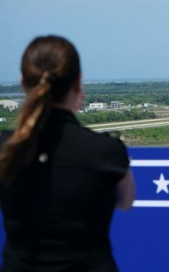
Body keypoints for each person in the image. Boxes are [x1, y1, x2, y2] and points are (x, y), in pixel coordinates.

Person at [0, 35, 135, 271]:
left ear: (23, 83)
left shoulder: (7, 149)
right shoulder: (104, 151)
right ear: (78, 82)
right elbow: (125, 201)